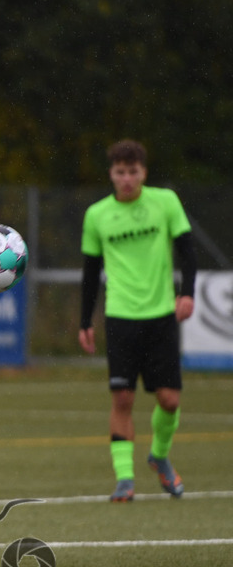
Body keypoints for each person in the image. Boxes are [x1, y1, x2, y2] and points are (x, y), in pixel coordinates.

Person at [78, 139, 197, 502]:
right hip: (120, 317)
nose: (127, 179)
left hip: (161, 314)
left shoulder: (165, 202)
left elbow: (187, 250)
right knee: (123, 398)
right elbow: (90, 271)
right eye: (120, 172)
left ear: (143, 172)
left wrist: (187, 292)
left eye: (133, 172)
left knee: (170, 399)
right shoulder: (97, 214)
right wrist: (85, 320)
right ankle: (125, 480)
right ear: (111, 174)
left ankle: (159, 455)